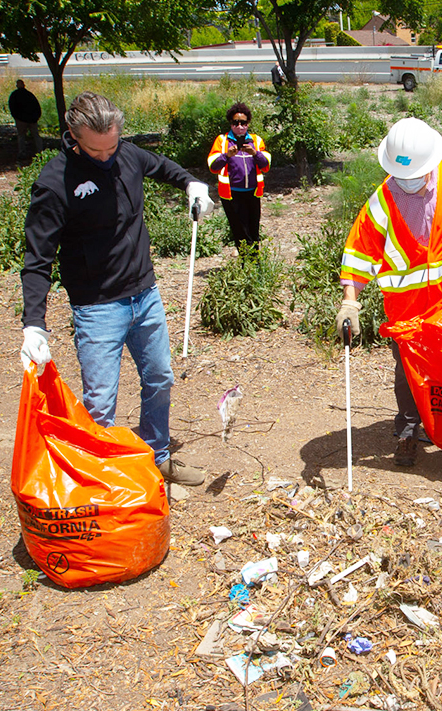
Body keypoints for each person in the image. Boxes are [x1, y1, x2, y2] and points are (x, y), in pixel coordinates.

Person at [20, 91, 216, 488]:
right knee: (100, 403)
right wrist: (33, 324)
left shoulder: (125, 154)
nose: (108, 156)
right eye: (97, 150)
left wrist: (193, 185)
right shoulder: (55, 182)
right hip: (96, 308)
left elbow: (162, 166)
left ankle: (156, 459)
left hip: (145, 295)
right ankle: (101, 480)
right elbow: (37, 258)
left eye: (113, 145)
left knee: (160, 378)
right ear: (74, 137)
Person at [334, 118, 442, 467]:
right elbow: (359, 253)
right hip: (407, 309)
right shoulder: (382, 201)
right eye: (401, 175)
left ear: (431, 163)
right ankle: (410, 430)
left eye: (413, 174)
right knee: (408, 371)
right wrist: (349, 301)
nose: (406, 181)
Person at [207, 102, 272, 259]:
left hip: (253, 193)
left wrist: (255, 153)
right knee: (240, 231)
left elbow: (266, 166)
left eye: (243, 123)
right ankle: (246, 265)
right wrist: (226, 156)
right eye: (236, 122)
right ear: (231, 123)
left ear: (248, 123)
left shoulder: (256, 141)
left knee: (253, 230)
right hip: (232, 195)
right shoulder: (222, 141)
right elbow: (213, 166)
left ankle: (255, 265)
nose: (240, 126)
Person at [8, 80, 43, 159]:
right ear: (24, 85)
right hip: (32, 119)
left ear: (17, 85)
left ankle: (22, 153)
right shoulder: (30, 95)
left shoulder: (14, 95)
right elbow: (37, 106)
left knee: (21, 136)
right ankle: (40, 152)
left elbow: (12, 107)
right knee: (36, 136)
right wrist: (36, 117)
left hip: (21, 120)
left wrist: (16, 117)